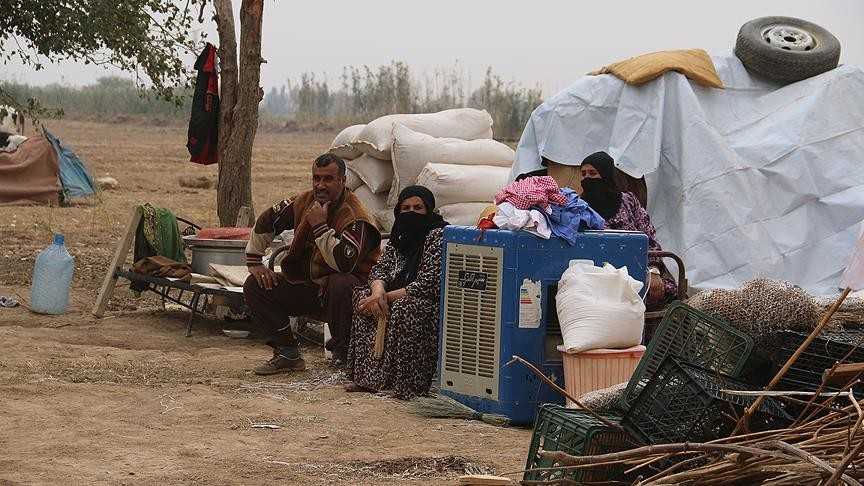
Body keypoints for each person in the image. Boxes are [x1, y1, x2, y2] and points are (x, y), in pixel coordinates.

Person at [244, 153, 381, 375]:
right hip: (310, 288)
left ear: (343, 181)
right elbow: (268, 219)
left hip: (350, 297)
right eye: (316, 178)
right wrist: (254, 260)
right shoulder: (304, 201)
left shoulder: (356, 215)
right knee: (255, 285)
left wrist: (319, 226)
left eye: (328, 179)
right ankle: (287, 353)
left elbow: (344, 264)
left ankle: (344, 355)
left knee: (341, 282)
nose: (320, 185)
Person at [344, 186, 448, 399]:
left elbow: (429, 283)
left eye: (418, 208)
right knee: (363, 299)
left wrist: (385, 297)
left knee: (404, 307)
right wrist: (377, 290)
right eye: (406, 207)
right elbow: (381, 268)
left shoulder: (438, 235)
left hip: (426, 300)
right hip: (391, 294)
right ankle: (368, 379)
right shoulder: (399, 234)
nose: (411, 213)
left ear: (429, 210)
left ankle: (406, 385)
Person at [579, 151, 677, 311]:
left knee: (665, 291)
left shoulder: (628, 201)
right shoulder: (578, 207)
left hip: (634, 270)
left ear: (606, 174)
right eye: (583, 174)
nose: (587, 179)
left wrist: (653, 271)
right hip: (595, 274)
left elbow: (649, 238)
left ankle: (649, 336)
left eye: (592, 173)